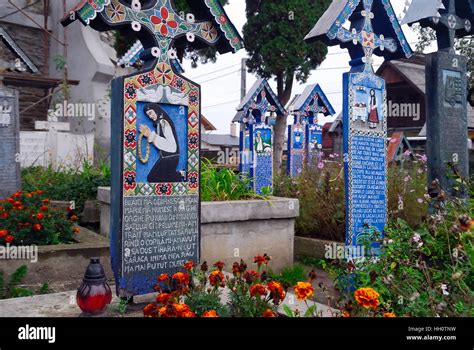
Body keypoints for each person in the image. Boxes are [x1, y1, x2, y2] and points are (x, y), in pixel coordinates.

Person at [139, 103, 183, 183]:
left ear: (156, 110)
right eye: (148, 115)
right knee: (155, 178)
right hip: (166, 157)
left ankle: (179, 175)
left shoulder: (163, 122)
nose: (150, 116)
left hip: (170, 158)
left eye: (150, 113)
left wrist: (150, 135)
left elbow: (172, 147)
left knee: (152, 177)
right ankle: (177, 176)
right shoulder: (159, 123)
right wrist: (150, 135)